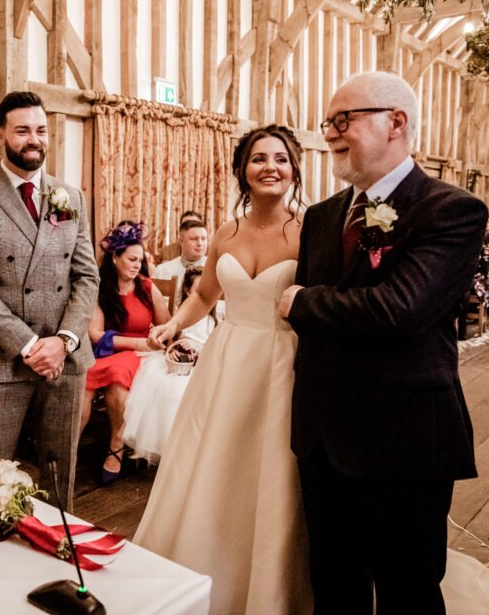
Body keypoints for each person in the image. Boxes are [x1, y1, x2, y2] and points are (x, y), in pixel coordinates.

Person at [279, 71, 486, 614]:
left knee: (407, 591)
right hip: (324, 437)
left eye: (343, 120)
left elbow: (400, 309)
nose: (329, 133)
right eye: (328, 123)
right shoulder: (323, 217)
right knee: (334, 585)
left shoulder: (451, 210)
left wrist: (300, 302)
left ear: (396, 122)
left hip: (405, 441)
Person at [135, 124, 308, 614]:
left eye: (280, 158)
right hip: (229, 358)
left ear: (293, 168)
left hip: (284, 361)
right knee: (217, 459)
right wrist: (174, 327)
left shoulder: (309, 229)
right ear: (241, 170)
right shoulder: (226, 232)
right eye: (258, 158)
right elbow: (206, 294)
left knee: (271, 466)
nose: (269, 167)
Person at [0, 90, 99, 508]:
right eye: (22, 131)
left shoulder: (71, 197)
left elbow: (87, 275)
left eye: (40, 130)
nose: (34, 139)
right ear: (1, 135)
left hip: (64, 359)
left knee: (59, 475)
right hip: (1, 360)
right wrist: (31, 346)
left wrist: (64, 340)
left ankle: (57, 556)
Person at [80, 222, 170, 483]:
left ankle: (116, 446)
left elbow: (166, 324)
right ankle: (71, 446)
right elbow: (95, 333)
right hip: (110, 351)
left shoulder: (147, 287)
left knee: (118, 378)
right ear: (115, 257)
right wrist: (136, 343)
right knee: (83, 378)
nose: (136, 265)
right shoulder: (101, 288)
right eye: (131, 259)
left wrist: (154, 340)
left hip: (144, 356)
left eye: (140, 260)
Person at [122, 267, 217, 464]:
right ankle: (161, 446)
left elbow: (215, 347)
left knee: (184, 390)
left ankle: (188, 449)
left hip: (204, 364)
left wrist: (199, 347)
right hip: (179, 363)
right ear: (189, 291)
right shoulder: (183, 318)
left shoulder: (213, 322)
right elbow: (172, 340)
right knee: (160, 384)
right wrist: (175, 349)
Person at [153, 219, 209, 303]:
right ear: (181, 242)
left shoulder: (215, 270)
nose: (200, 243)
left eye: (203, 239)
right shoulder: (162, 270)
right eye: (194, 239)